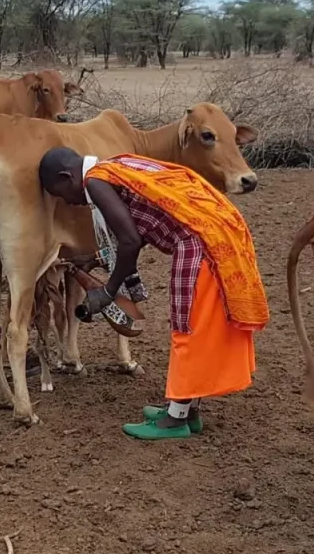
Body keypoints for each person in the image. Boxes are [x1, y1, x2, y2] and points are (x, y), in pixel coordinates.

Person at [38, 147, 270, 440]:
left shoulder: (96, 182)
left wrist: (108, 291)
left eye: (60, 194)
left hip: (197, 244)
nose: (68, 202)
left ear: (66, 176)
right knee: (197, 327)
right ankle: (187, 410)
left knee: (188, 328)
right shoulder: (116, 166)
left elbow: (131, 241)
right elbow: (146, 224)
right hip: (210, 236)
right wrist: (95, 259)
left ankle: (175, 420)